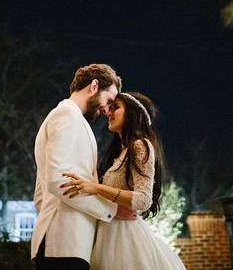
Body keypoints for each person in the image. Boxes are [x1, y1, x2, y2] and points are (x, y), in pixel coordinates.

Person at [61, 91, 186, 270]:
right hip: (107, 234)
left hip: (126, 238)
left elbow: (143, 199)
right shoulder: (120, 152)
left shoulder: (140, 145)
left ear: (134, 114)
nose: (108, 113)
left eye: (116, 108)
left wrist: (95, 188)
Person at [31, 63, 122, 270]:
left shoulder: (66, 117)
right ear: (94, 86)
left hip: (61, 243)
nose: (107, 109)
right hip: (64, 245)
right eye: (108, 100)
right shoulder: (67, 117)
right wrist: (111, 210)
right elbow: (59, 182)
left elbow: (40, 194)